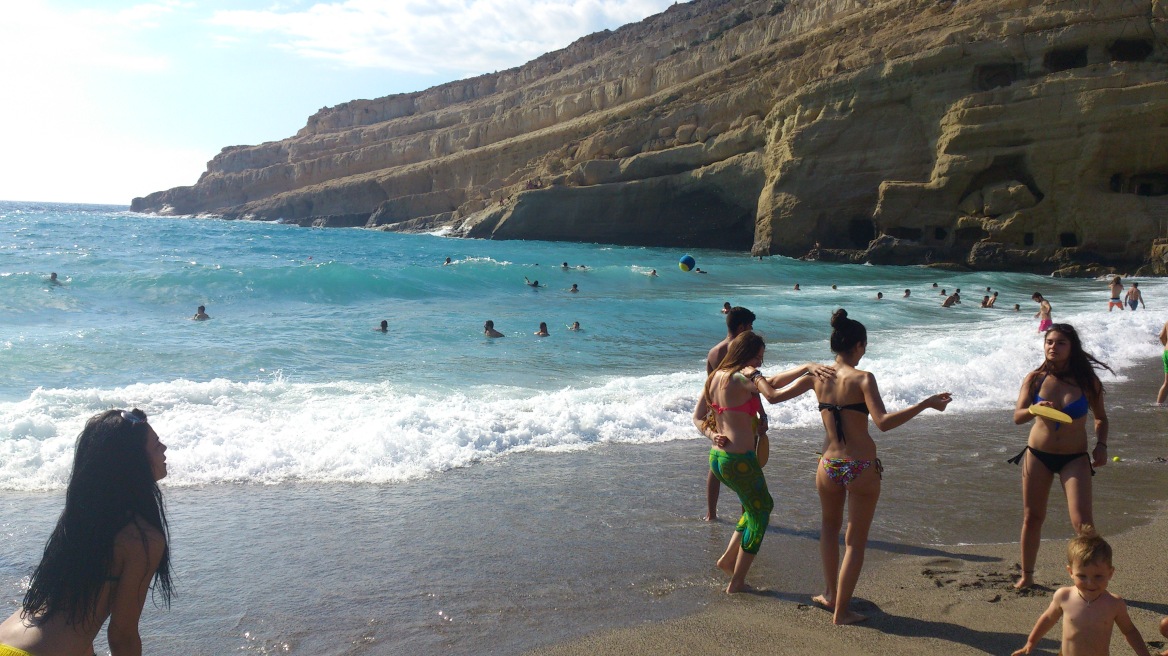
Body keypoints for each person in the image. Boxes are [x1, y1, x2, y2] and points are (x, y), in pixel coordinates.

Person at [747, 309, 950, 624]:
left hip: (828, 465)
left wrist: (755, 375)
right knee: (855, 540)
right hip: (861, 466)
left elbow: (772, 396)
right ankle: (841, 612)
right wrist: (924, 404)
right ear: (859, 345)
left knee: (828, 530)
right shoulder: (863, 378)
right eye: (864, 346)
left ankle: (830, 594)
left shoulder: (817, 376)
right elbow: (882, 422)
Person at [0, 409, 173, 655]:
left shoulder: (82, 521)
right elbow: (122, 636)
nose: (164, 448)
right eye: (156, 444)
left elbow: (77, 623)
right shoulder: (141, 538)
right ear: (133, 459)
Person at [1009, 323, 1112, 589]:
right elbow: (1018, 417)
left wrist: (1101, 446)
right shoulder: (1034, 379)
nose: (1053, 347)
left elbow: (1101, 418)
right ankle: (1027, 577)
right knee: (1032, 517)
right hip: (1037, 455)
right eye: (1049, 342)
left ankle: (1093, 578)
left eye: (1060, 343)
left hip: (1074, 457)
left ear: (1072, 347)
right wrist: (1034, 408)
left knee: (1083, 523)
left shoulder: (1089, 382)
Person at [691, 331, 774, 594]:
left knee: (752, 508)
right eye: (756, 356)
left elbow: (700, 418)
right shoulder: (739, 378)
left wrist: (760, 427)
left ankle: (728, 559)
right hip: (737, 459)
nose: (759, 363)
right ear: (743, 354)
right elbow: (773, 387)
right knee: (761, 511)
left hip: (722, 457)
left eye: (761, 357)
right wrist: (807, 372)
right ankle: (737, 582)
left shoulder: (717, 378)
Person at [1011, 527, 1150, 656]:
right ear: (1071, 572)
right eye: (1082, 576)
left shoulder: (1114, 603)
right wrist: (1031, 641)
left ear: (1110, 573)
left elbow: (1129, 631)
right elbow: (1047, 619)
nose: (1090, 583)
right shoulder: (1064, 596)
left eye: (1098, 576)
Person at [1157, 320, 1168, 405]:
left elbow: (1161, 337)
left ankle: (1159, 405)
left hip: (1166, 353)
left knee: (1166, 383)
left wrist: (1166, 345)